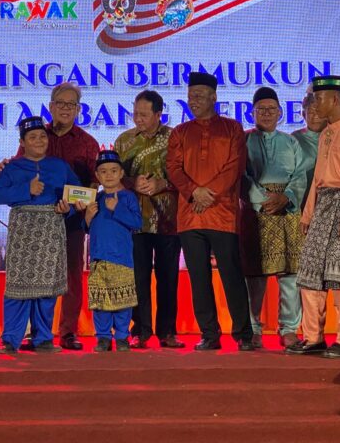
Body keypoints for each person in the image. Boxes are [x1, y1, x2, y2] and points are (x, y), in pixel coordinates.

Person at [166, 72, 254, 351]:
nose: (194, 101)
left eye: (200, 96)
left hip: (223, 213)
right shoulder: (180, 132)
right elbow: (173, 168)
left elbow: (235, 166)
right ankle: (209, 334)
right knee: (199, 278)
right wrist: (194, 192)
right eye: (191, 96)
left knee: (231, 275)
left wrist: (208, 193)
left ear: (214, 97)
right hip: (190, 215)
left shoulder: (232, 128)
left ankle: (243, 334)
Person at [287, 75, 340, 359]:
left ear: (335, 99)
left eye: (319, 99)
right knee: (309, 273)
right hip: (322, 206)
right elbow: (318, 180)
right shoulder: (325, 134)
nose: (314, 104)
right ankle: (313, 337)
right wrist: (307, 214)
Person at [15, 82, 99, 351]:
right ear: (50, 106)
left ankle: (68, 332)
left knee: (72, 276)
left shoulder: (88, 143)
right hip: (38, 220)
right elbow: (20, 171)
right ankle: (37, 332)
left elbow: (94, 183)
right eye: (60, 103)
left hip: (72, 221)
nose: (65, 108)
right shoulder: (36, 137)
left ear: (78, 109)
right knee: (37, 275)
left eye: (71, 104)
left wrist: (82, 202)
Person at [0, 116, 80, 355]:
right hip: (23, 230)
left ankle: (43, 339)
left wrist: (68, 208)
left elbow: (78, 194)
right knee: (17, 287)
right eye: (32, 137)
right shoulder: (13, 167)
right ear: (22, 142)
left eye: (42, 136)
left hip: (51, 229)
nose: (39, 141)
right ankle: (10, 340)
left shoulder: (59, 166)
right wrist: (26, 190)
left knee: (47, 287)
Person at [114, 90, 183, 349]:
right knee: (138, 278)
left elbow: (187, 173)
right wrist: (132, 182)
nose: (138, 119)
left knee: (168, 278)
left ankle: (168, 331)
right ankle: (140, 330)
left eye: (144, 114)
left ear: (158, 114)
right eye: (135, 114)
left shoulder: (175, 138)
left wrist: (163, 183)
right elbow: (112, 175)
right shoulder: (124, 141)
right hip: (135, 221)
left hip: (168, 219)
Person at [241, 87, 307, 349]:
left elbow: (300, 175)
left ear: (280, 113)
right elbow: (241, 176)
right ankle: (253, 329)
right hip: (256, 213)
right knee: (254, 275)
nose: (267, 114)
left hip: (287, 211)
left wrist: (286, 197)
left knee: (290, 274)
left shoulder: (291, 142)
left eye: (272, 109)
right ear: (252, 113)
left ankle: (289, 328)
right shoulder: (243, 140)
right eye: (261, 109)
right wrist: (261, 200)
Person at [80, 149, 142, 352]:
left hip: (122, 258)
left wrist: (117, 208)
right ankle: (103, 337)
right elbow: (86, 228)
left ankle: (122, 336)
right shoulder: (95, 198)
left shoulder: (128, 197)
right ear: (97, 175)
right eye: (104, 171)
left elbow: (137, 222)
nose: (109, 175)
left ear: (121, 173)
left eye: (114, 171)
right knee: (100, 301)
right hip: (98, 257)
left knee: (123, 300)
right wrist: (88, 216)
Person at [292, 84, 327, 209]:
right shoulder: (293, 140)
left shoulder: (338, 138)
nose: (315, 116)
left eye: (319, 112)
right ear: (303, 114)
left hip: (331, 206)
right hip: (300, 205)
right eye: (311, 112)